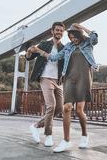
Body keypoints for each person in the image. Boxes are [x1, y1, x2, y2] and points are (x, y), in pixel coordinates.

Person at [34, 23, 98, 152]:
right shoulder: (68, 47)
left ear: (79, 34)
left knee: (79, 110)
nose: (72, 39)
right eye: (70, 37)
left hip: (84, 78)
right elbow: (55, 57)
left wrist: (81, 26)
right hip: (68, 78)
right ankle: (66, 140)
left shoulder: (87, 43)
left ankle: (85, 135)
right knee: (66, 108)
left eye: (74, 36)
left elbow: (94, 37)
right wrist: (40, 51)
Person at [25, 21, 65, 147]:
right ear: (52, 31)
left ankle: (36, 126)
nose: (59, 32)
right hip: (45, 77)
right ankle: (48, 135)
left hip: (58, 80)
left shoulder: (63, 48)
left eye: (61, 30)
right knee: (51, 106)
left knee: (59, 108)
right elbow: (29, 57)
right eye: (57, 30)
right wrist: (29, 51)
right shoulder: (44, 44)